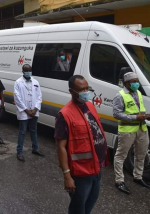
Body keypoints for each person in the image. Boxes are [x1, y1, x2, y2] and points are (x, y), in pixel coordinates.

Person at [55, 75, 109, 214]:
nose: (86, 92)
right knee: (78, 208)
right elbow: (61, 147)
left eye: (87, 88)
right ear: (71, 91)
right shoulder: (64, 115)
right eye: (81, 89)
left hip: (96, 167)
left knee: (90, 203)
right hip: (81, 172)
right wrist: (67, 176)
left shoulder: (90, 106)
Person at [113, 72, 150, 194]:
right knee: (121, 156)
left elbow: (139, 110)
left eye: (137, 81)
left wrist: (146, 116)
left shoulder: (138, 93)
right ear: (127, 83)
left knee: (141, 154)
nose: (137, 83)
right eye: (134, 81)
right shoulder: (120, 95)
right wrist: (135, 118)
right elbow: (116, 114)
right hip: (127, 130)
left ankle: (138, 177)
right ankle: (119, 181)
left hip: (142, 129)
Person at [14, 64, 44, 162]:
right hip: (24, 111)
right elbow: (17, 98)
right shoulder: (18, 82)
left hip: (34, 110)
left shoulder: (36, 82)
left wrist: (35, 109)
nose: (28, 72)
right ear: (22, 71)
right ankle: (19, 151)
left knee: (34, 130)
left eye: (29, 70)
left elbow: (39, 96)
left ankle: (35, 148)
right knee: (22, 132)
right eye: (26, 71)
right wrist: (26, 110)